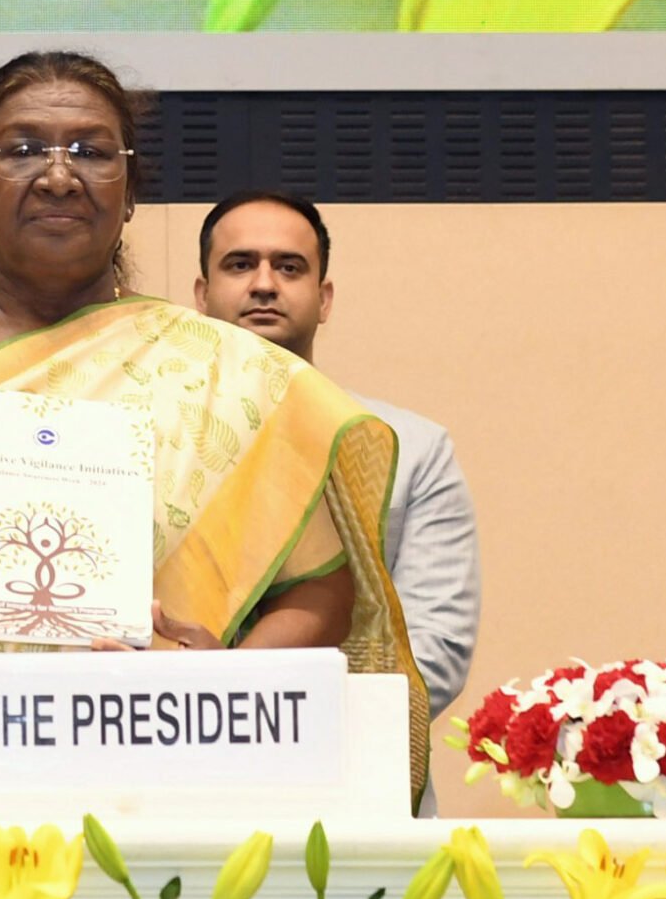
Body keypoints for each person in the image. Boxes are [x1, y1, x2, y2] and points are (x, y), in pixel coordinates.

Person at [0, 50, 431, 799]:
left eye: (91, 151)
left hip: (158, 766)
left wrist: (220, 674)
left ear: (131, 189)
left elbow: (320, 595)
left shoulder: (220, 370)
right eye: (20, 150)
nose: (58, 175)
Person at [193, 190, 479, 730]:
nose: (263, 283)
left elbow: (434, 653)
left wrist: (250, 708)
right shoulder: (156, 440)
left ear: (323, 299)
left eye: (289, 267)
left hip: (354, 767)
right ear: (202, 296)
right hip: (175, 758)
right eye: (239, 264)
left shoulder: (411, 447)